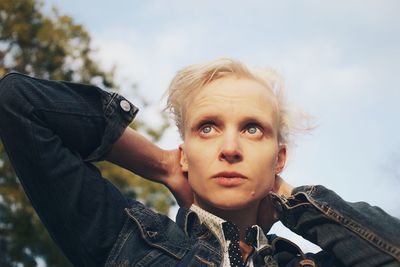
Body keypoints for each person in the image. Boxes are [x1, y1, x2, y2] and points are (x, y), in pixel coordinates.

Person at [0, 58, 399, 267]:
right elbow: (20, 103)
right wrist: (162, 165)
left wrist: (287, 197)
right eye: (207, 128)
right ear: (186, 151)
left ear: (279, 157)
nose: (229, 147)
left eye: (253, 129)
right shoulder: (128, 244)